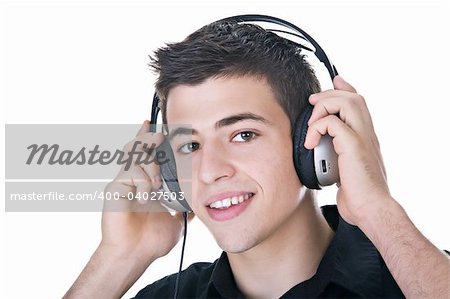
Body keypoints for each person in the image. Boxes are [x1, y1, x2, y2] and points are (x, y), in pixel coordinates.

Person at [64, 19, 450, 298]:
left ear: (315, 144)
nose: (210, 172)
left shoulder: (420, 276)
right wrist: (117, 259)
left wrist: (379, 211)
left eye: (243, 134)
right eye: (190, 146)